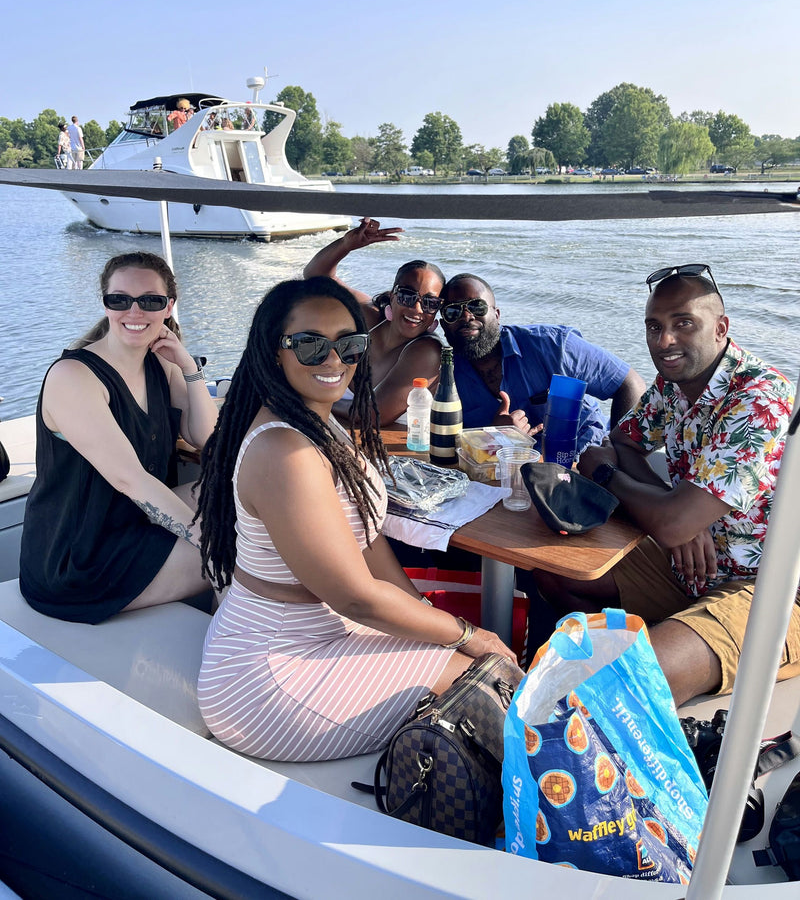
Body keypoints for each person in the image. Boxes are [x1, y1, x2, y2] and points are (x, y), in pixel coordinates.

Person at [194, 276, 517, 762]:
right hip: (268, 676)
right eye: (309, 345)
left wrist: (434, 621)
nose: (333, 360)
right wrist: (472, 633)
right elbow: (356, 596)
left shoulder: (319, 420)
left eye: (350, 344)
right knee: (495, 686)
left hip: (324, 631)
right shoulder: (286, 452)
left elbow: (368, 545)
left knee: (491, 671)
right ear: (273, 350)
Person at [535, 264, 795, 706]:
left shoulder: (759, 398)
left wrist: (622, 485)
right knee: (554, 573)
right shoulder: (674, 387)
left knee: (636, 679)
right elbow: (620, 441)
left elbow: (625, 478)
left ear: (721, 328)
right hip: (687, 565)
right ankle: (563, 682)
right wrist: (673, 514)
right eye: (654, 327)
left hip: (766, 587)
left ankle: (654, 661)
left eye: (683, 324)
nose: (664, 341)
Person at [19, 251, 219, 623]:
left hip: (134, 522)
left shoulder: (162, 364)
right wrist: (211, 541)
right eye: (120, 300)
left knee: (233, 499)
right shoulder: (73, 377)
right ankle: (234, 662)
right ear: (105, 304)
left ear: (169, 306)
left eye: (150, 301)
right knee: (242, 553)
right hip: (81, 557)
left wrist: (189, 367)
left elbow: (203, 435)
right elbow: (131, 479)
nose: (135, 311)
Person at [439, 273, 646, 448]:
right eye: (453, 311)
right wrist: (492, 436)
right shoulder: (442, 375)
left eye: (477, 307)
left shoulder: (553, 346)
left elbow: (629, 383)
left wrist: (617, 453)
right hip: (507, 473)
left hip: (583, 462)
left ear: (497, 314)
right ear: (443, 325)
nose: (466, 316)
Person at [303, 218, 445, 423]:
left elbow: (372, 413)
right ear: (392, 296)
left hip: (392, 448)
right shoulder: (369, 316)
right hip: (336, 429)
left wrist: (307, 394)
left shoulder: (426, 351)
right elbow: (315, 276)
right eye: (407, 296)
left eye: (430, 303)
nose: (416, 309)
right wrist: (345, 245)